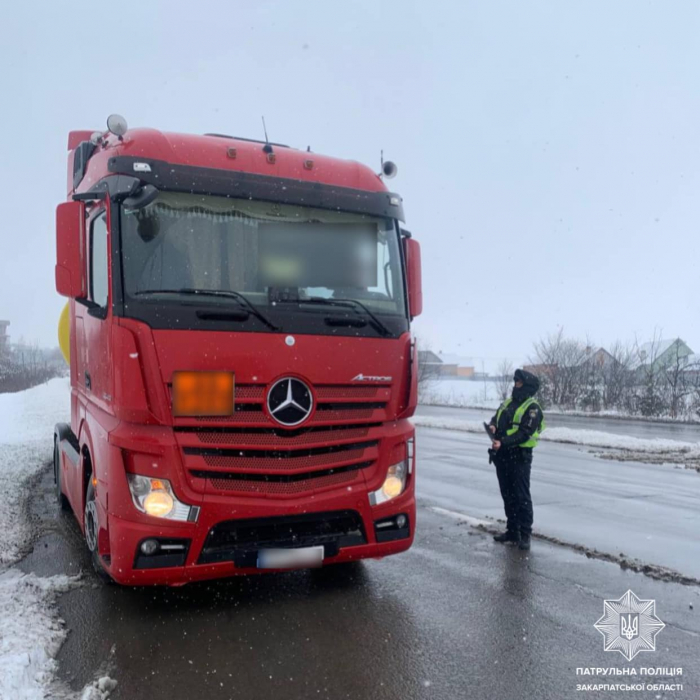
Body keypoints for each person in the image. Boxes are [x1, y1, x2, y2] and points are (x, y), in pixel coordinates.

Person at [488, 369, 545, 551]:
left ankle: (525, 534)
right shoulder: (509, 402)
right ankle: (512, 531)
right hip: (503, 455)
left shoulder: (533, 408)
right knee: (508, 495)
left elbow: (524, 434)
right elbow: (496, 417)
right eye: (515, 382)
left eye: (519, 383)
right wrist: (493, 426)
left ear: (526, 386)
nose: (515, 385)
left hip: (520, 457)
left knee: (521, 496)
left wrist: (502, 441)